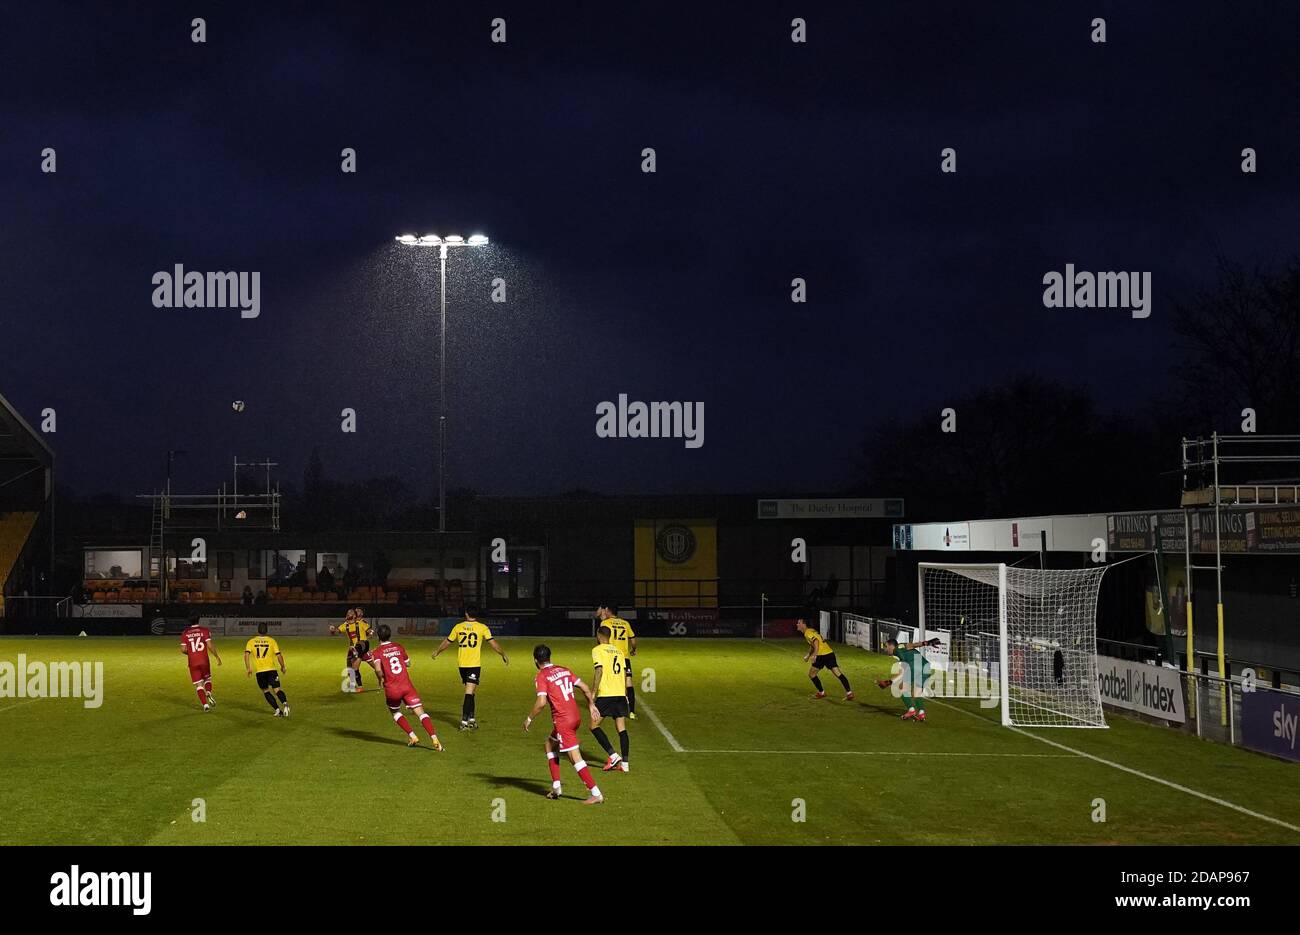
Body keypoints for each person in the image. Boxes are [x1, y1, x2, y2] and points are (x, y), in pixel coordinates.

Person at [524, 644, 604, 804]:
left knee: (575, 758)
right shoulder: (564, 670)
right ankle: (556, 787)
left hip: (563, 721)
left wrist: (529, 718)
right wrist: (591, 704)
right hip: (575, 716)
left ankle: (596, 793)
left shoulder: (542, 676)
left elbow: (541, 703)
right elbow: (585, 687)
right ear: (549, 657)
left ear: (535, 660)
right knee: (549, 745)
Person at [362, 624, 443, 750]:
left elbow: (377, 670)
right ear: (390, 635)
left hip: (392, 689)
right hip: (407, 685)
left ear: (378, 636)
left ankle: (412, 736)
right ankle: (434, 738)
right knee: (421, 713)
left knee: (395, 712)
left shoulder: (377, 652)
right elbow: (408, 663)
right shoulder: (398, 647)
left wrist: (381, 679)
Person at [433, 606, 508, 730]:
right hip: (474, 664)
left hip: (462, 664)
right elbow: (493, 643)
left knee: (472, 691)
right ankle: (464, 722)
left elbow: (447, 642)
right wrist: (502, 653)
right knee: (469, 692)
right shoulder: (482, 627)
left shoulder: (458, 627)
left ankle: (472, 719)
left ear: (466, 614)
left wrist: (437, 651)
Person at [590, 625, 630, 772]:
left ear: (599, 635)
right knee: (622, 728)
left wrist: (593, 692)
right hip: (620, 693)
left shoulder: (597, 650)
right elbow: (625, 673)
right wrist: (625, 693)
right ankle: (625, 764)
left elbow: (599, 670)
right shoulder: (618, 651)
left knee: (593, 726)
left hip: (606, 694)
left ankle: (613, 756)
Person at [877, 633, 941, 721]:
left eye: (886, 646)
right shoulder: (902, 651)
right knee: (917, 692)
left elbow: (902, 671)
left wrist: (889, 682)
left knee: (902, 688)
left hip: (916, 665)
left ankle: (911, 710)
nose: (885, 649)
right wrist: (926, 643)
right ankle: (921, 714)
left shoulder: (898, 648)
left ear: (891, 646)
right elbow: (912, 646)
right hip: (926, 666)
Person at [795, 618, 854, 700]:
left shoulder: (807, 633)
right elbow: (813, 645)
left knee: (812, 674)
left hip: (821, 656)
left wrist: (815, 655)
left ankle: (822, 693)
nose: (797, 624)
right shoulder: (811, 630)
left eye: (799, 623)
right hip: (829, 653)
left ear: (804, 624)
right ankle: (849, 693)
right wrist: (808, 655)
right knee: (838, 674)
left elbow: (816, 642)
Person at [596, 604, 637, 718]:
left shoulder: (605, 623)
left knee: (606, 678)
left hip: (610, 655)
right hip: (624, 657)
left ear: (608, 611)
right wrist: (633, 650)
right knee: (628, 682)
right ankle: (632, 711)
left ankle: (604, 705)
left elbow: (601, 639)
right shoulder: (625, 623)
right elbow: (633, 641)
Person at [244, 621, 290, 717]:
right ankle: (285, 704)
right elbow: (278, 655)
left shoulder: (251, 642)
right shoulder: (272, 641)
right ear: (267, 630)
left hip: (260, 672)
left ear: (258, 630)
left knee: (266, 691)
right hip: (271, 670)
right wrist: (283, 666)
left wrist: (248, 668)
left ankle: (278, 710)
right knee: (277, 689)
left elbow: (246, 655)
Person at [179, 612, 222, 711]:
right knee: (207, 679)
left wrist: (191, 654)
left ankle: (205, 705)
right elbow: (210, 646)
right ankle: (208, 692)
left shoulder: (185, 632)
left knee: (198, 684)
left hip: (193, 662)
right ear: (199, 619)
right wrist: (217, 656)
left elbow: (183, 649)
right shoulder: (205, 630)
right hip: (204, 660)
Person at [330, 608, 371, 692]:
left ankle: (360, 686)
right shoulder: (345, 625)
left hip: (362, 646)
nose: (348, 614)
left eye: (350, 613)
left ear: (354, 615)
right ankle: (353, 685)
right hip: (352, 648)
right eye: (347, 613)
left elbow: (369, 630)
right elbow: (336, 631)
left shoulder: (361, 623)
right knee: (350, 670)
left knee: (355, 667)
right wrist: (332, 630)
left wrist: (370, 632)